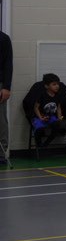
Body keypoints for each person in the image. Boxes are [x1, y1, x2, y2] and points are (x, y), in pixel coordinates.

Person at [29, 73, 66, 147]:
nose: (57, 86)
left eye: (57, 84)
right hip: (40, 116)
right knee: (38, 129)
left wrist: (59, 118)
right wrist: (40, 117)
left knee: (58, 126)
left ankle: (46, 143)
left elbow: (58, 108)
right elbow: (36, 108)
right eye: (54, 84)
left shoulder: (58, 96)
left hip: (51, 117)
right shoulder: (42, 95)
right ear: (46, 86)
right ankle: (39, 145)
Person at [0, 28, 11, 167]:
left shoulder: (3, 39)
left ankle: (1, 153)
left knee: (1, 120)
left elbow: (8, 64)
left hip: (0, 84)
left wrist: (6, 87)